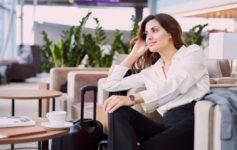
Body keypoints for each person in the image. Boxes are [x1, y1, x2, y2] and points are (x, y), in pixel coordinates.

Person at [103, 13, 210, 150]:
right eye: (146, 33)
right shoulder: (152, 71)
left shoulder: (192, 53)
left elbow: (176, 85)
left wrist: (132, 98)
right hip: (167, 125)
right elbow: (111, 84)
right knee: (117, 111)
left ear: (170, 33)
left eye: (154, 30)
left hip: (193, 121)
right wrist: (134, 54)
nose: (149, 37)